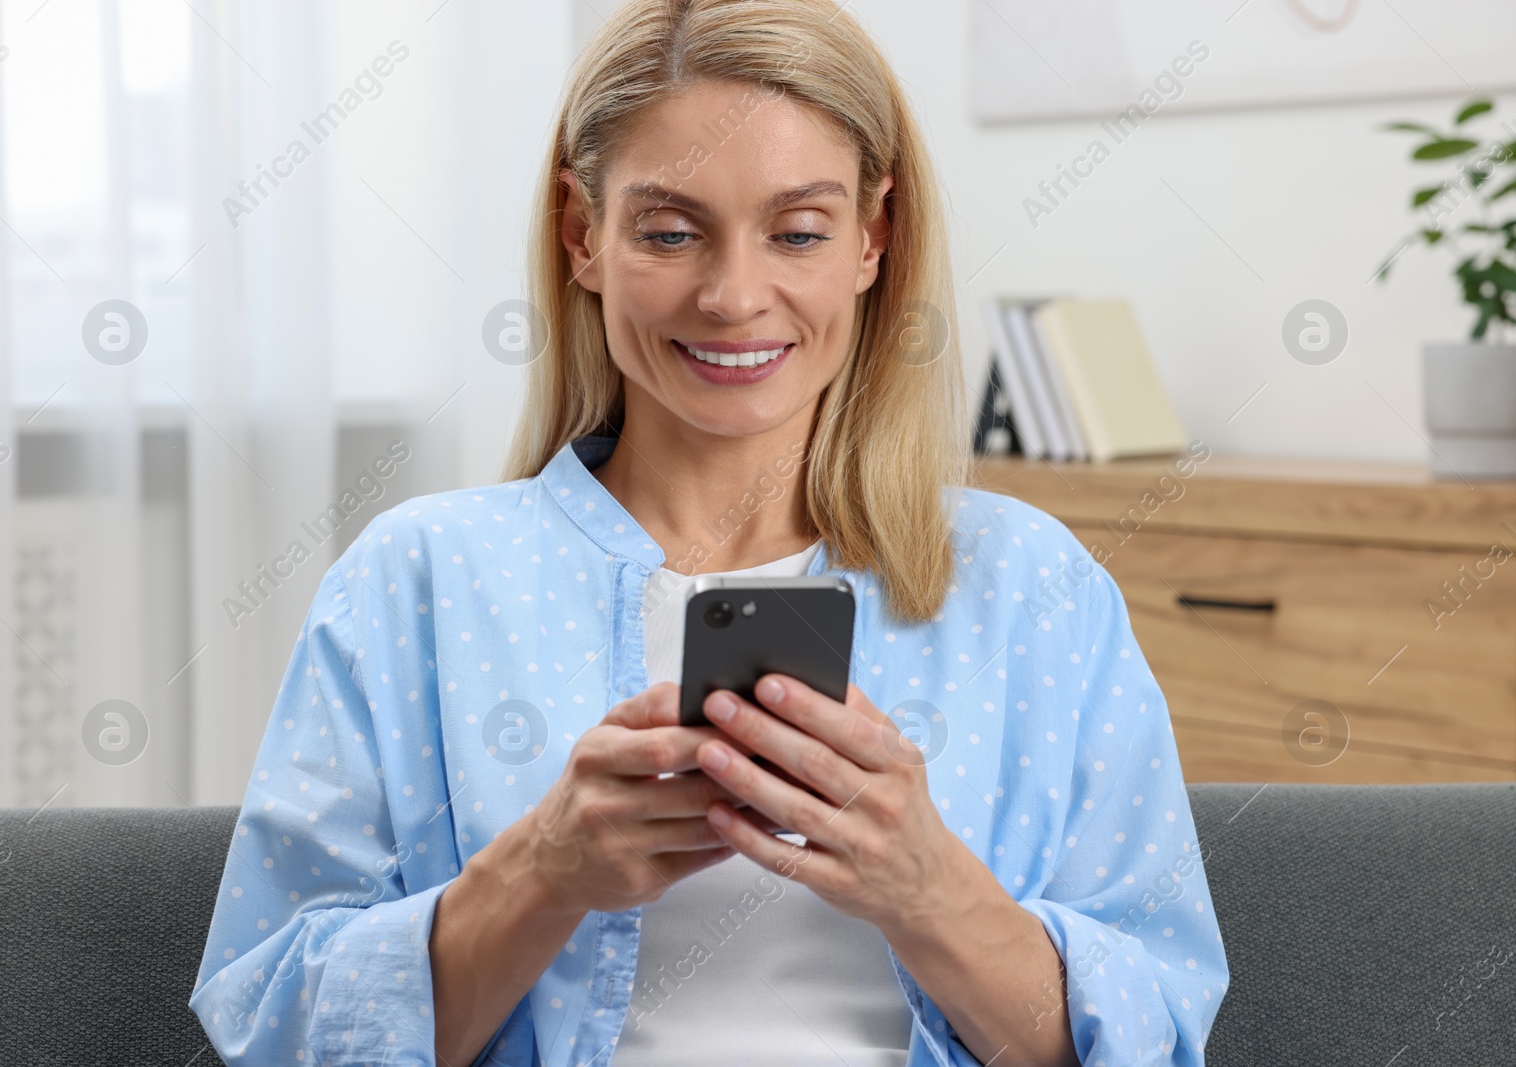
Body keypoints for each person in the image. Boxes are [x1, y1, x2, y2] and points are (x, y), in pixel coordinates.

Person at [189, 1, 1229, 1064]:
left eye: (798, 232)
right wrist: (541, 871)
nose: (734, 296)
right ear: (582, 233)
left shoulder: (1030, 585)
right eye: (670, 231)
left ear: (873, 238)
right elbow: (276, 1022)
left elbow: (1152, 1031)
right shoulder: (414, 580)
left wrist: (928, 888)